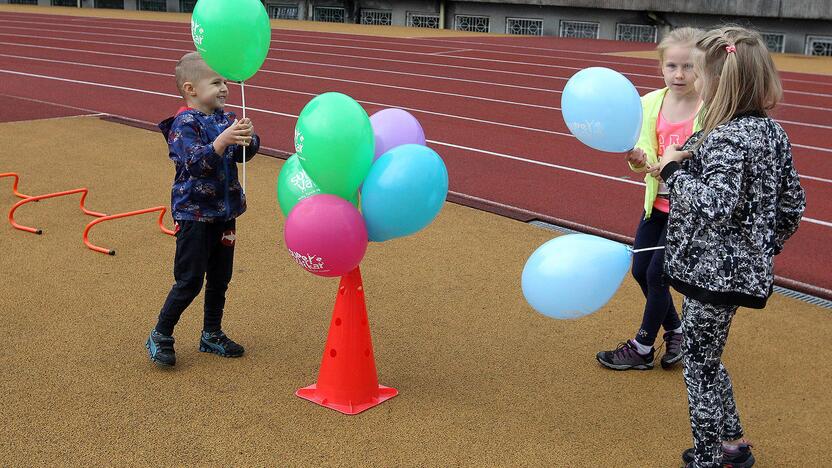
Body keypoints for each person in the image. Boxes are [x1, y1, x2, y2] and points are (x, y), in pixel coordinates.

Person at [659, 26, 806, 467]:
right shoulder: (770, 133)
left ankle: (708, 458)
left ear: (721, 81)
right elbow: (793, 205)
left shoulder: (726, 137)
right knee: (710, 356)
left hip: (711, 276)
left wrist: (672, 172)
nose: (695, 82)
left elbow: (716, 204)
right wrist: (760, 248)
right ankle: (733, 444)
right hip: (739, 273)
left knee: (698, 368)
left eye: (701, 74)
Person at [597, 27, 703, 371]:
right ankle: (677, 331)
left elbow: (713, 162)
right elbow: (638, 154)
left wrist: (676, 163)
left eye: (688, 66)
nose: (680, 74)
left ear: (702, 68)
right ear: (661, 67)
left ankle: (643, 346)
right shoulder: (648, 104)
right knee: (640, 270)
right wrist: (638, 158)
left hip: (688, 212)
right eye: (672, 66)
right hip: (655, 206)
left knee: (658, 274)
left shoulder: (711, 108)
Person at [146, 52, 260, 367]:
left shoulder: (225, 118)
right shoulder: (184, 123)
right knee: (190, 279)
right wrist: (221, 142)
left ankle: (211, 333)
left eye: (225, 82)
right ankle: (161, 333)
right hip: (194, 216)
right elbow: (195, 163)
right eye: (216, 82)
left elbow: (240, 155)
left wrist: (248, 140)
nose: (225, 88)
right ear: (191, 89)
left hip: (224, 215)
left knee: (221, 277)